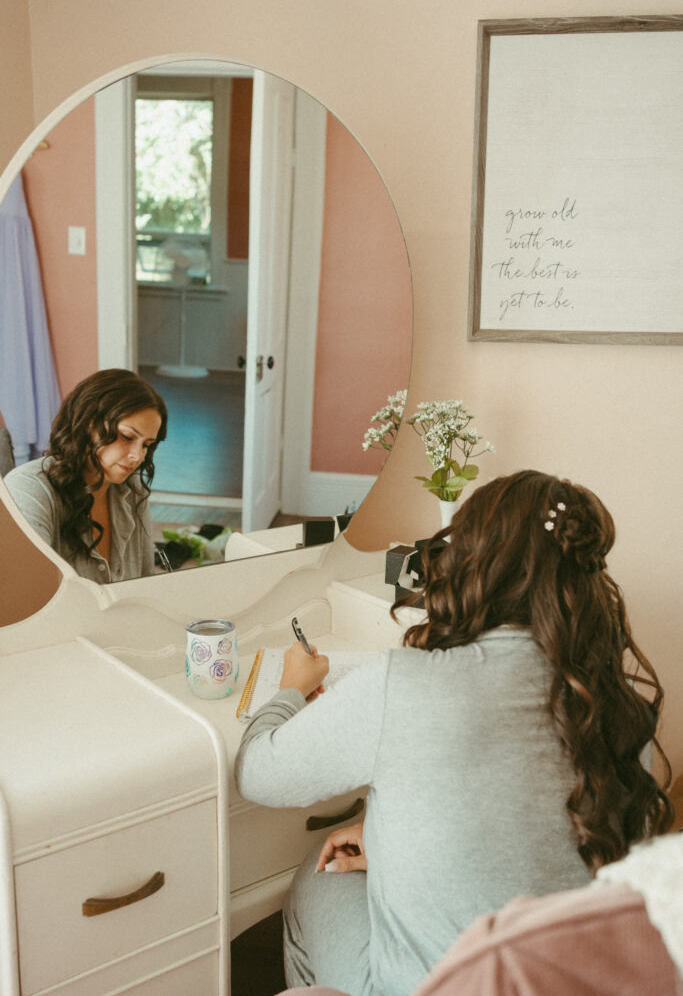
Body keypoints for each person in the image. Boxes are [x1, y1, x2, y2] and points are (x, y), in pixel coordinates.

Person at [234, 470, 674, 996]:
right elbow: (532, 832)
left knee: (315, 874)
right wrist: (384, 841)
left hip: (434, 986)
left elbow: (258, 775)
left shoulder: (406, 684)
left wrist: (289, 689)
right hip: (561, 977)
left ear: (473, 565)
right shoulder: (618, 703)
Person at [4, 368, 167, 582]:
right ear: (88, 423)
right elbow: (28, 592)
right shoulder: (29, 488)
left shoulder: (132, 490)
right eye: (127, 437)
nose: (137, 457)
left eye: (147, 445)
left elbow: (147, 584)